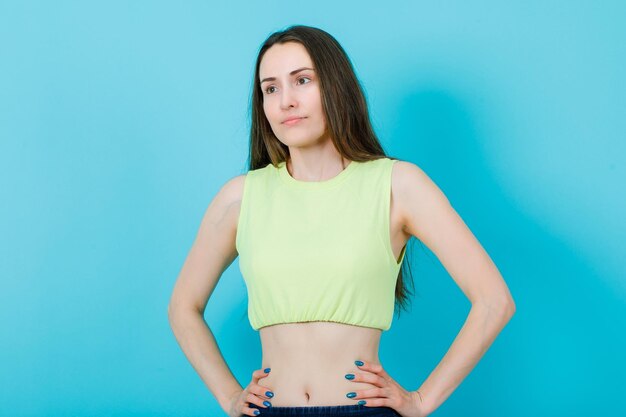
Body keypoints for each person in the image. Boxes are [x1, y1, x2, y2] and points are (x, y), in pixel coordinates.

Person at [167, 25, 516, 417]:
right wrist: (229, 396)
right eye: (271, 88)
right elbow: (183, 306)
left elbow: (494, 301)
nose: (286, 101)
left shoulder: (397, 185)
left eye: (302, 80)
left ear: (336, 87)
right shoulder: (240, 196)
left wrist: (421, 401)